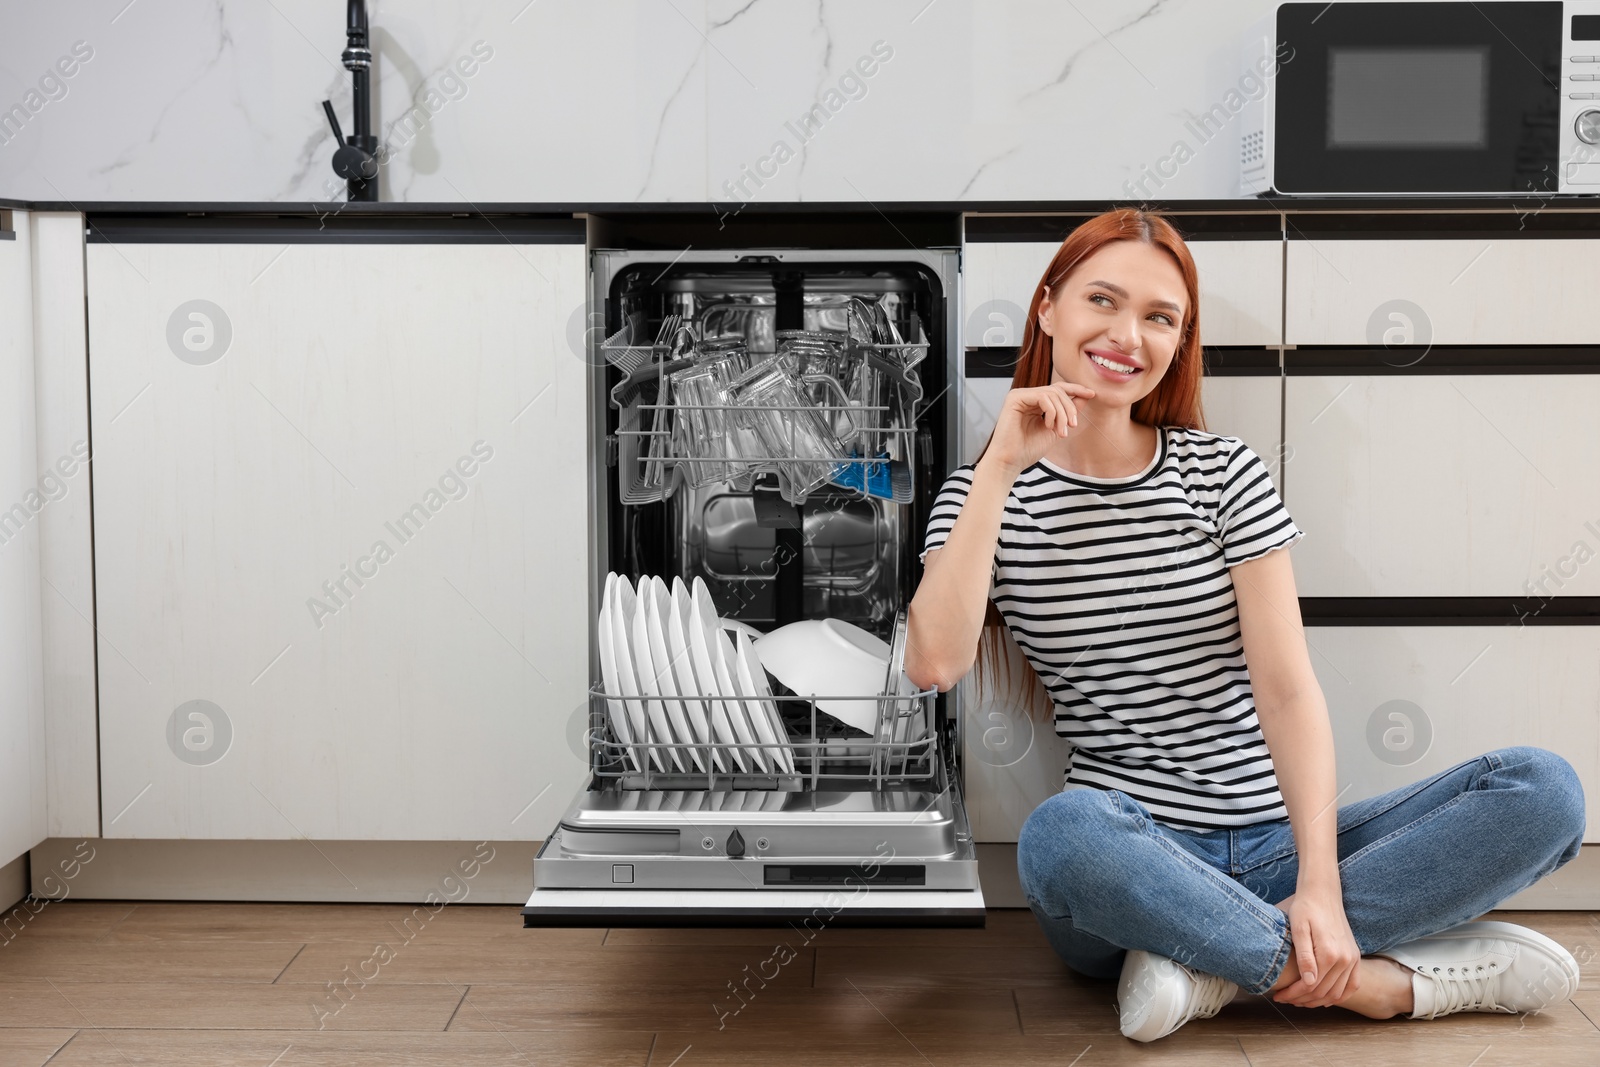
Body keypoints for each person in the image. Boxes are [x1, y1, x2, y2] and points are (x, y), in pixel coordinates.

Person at [904, 208, 1585, 1042]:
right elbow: (934, 661)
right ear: (1048, 308)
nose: (1128, 334)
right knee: (1058, 836)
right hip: (1134, 858)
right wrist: (1005, 459)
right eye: (1103, 301)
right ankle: (1380, 984)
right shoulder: (983, 498)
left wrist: (1321, 885)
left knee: (1541, 788)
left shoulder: (1221, 471)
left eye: (1160, 317)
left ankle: (1210, 966)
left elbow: (1287, 690)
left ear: (1180, 339)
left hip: (1277, 846)